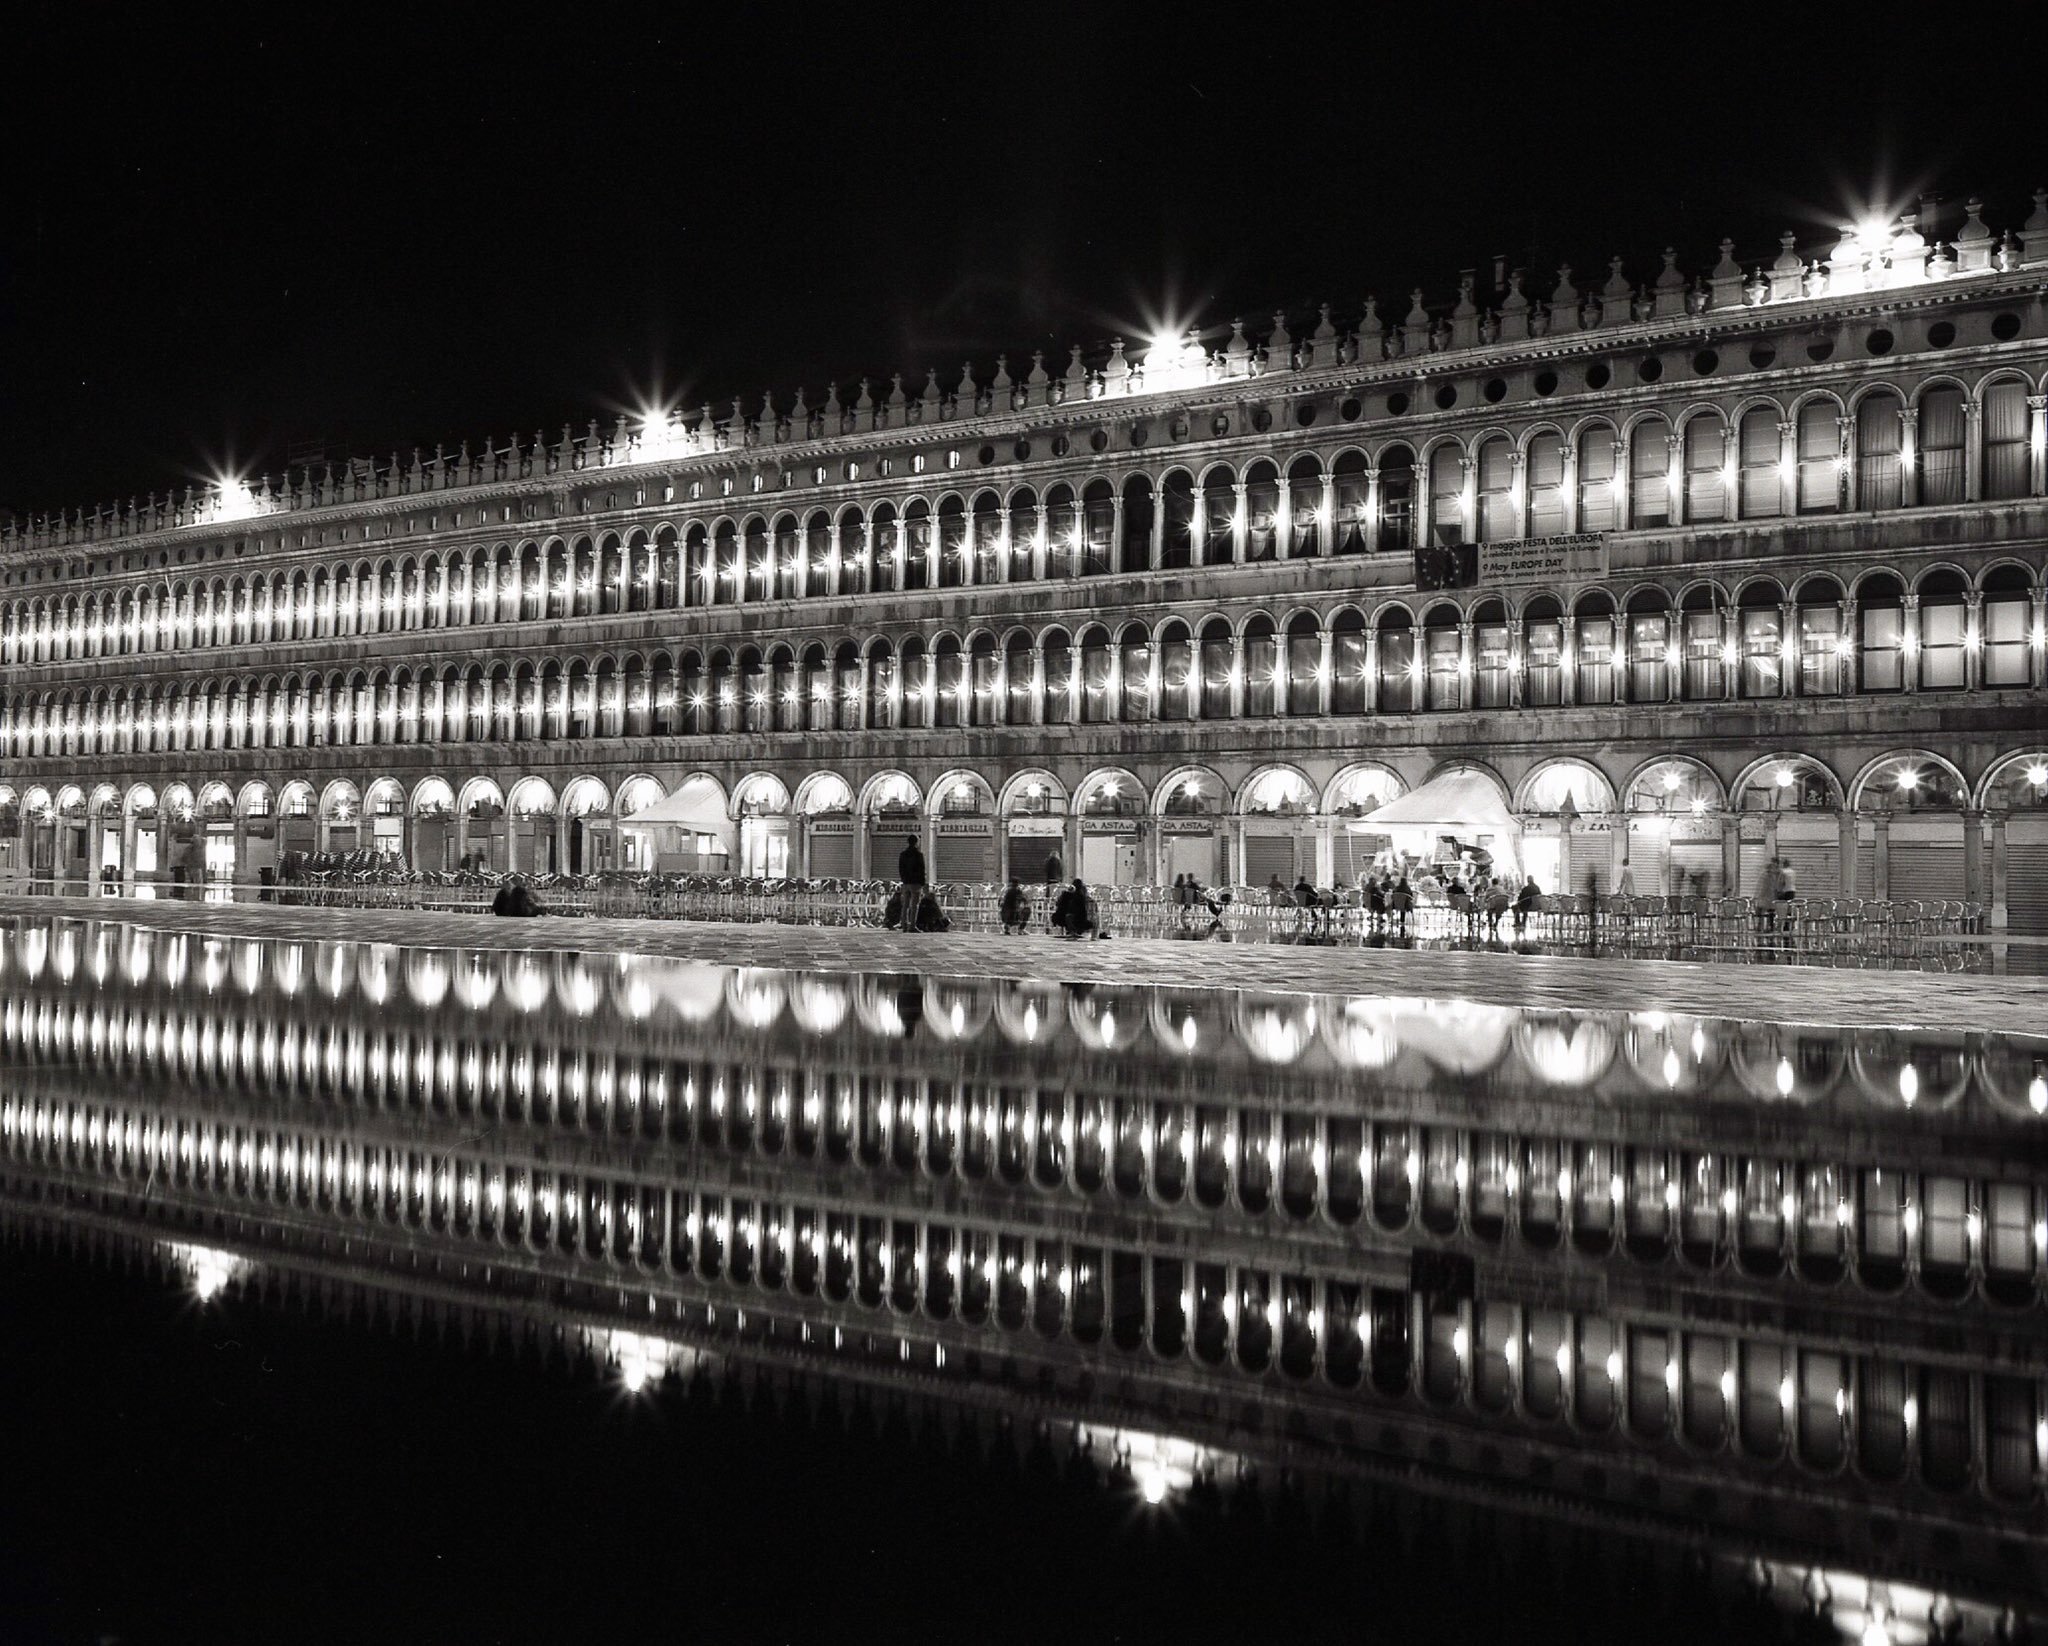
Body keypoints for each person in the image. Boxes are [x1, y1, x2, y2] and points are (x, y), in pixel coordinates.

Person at [897, 835, 927, 931]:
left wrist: (903, 879)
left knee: (905, 905)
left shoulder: (903, 854)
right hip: (915, 883)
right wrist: (922, 882)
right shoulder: (918, 854)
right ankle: (912, 926)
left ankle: (904, 925)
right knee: (914, 905)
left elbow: (901, 869)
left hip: (906, 882)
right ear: (916, 842)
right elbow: (921, 869)